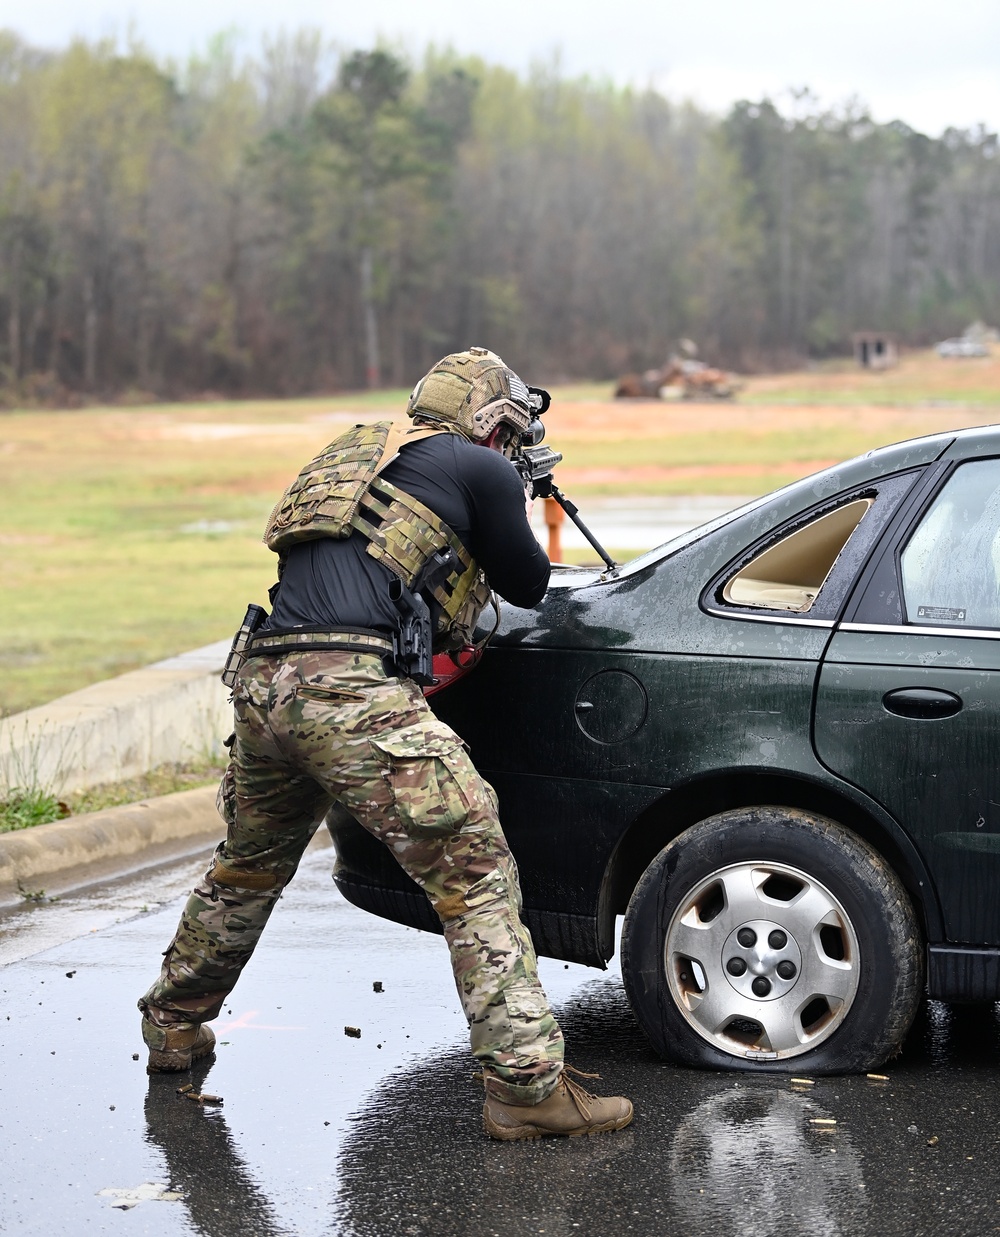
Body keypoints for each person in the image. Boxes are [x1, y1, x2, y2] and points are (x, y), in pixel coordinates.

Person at [138, 347, 633, 1140]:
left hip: (264, 678)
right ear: (487, 420)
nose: (509, 446)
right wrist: (518, 487)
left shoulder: (359, 451)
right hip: (349, 688)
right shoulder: (483, 470)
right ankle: (527, 1086)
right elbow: (530, 583)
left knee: (249, 867)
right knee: (474, 868)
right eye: (507, 430)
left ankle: (171, 1023)